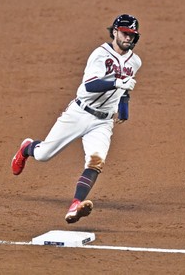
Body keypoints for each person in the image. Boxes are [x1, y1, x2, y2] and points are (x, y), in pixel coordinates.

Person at [11, 14, 142, 224]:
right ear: (115, 31)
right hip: (79, 113)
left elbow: (126, 86)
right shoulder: (99, 55)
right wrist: (118, 83)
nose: (129, 38)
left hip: (103, 122)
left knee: (95, 162)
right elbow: (90, 86)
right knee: (44, 155)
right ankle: (27, 148)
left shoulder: (135, 61)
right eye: (125, 34)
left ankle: (75, 205)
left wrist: (124, 107)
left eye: (132, 35)